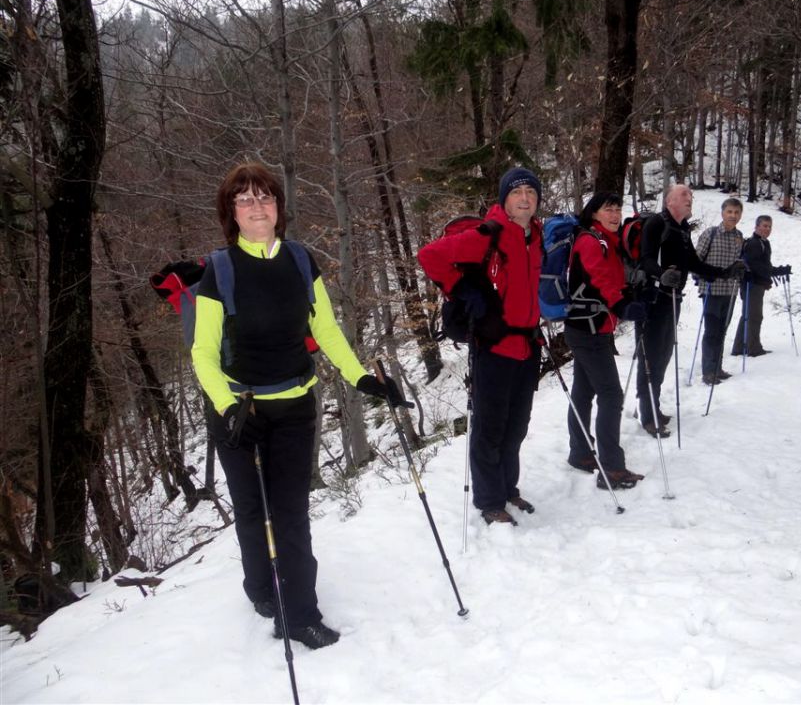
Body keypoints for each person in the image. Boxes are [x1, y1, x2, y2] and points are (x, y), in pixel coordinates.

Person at [192, 162, 404, 650]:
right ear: (231, 213)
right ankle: (261, 588)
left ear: (278, 207)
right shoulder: (218, 272)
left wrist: (363, 378)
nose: (256, 205)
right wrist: (227, 407)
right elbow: (202, 353)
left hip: (293, 405)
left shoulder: (300, 260)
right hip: (238, 409)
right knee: (251, 507)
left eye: (264, 196)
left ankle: (299, 614)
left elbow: (325, 328)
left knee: (289, 513)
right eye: (244, 199)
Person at [418, 167, 543, 526]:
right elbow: (429, 256)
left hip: (527, 344)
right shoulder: (488, 233)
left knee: (517, 425)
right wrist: (462, 288)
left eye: (531, 193)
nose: (524, 199)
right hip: (494, 345)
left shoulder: (535, 235)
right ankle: (489, 500)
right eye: (517, 192)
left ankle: (507, 488)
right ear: (504, 200)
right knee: (490, 427)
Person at [635, 184, 744, 437]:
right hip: (653, 299)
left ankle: (655, 406)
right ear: (670, 199)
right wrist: (662, 275)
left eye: (691, 196)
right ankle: (647, 414)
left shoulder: (682, 229)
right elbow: (646, 259)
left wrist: (724, 273)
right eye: (685, 195)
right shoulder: (656, 223)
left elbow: (694, 263)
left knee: (663, 355)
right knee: (651, 357)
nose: (690, 199)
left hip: (673, 299)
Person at [565, 192, 646, 489]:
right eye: (608, 209)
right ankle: (611, 468)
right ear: (594, 214)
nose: (614, 214)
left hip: (588, 327)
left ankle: (580, 452)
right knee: (611, 396)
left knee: (584, 392)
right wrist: (622, 305)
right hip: (589, 331)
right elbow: (599, 279)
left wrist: (630, 296)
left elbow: (613, 280)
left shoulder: (606, 242)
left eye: (617, 209)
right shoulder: (590, 241)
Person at [696, 197, 745, 385]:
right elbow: (696, 260)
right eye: (730, 212)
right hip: (711, 289)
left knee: (722, 331)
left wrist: (741, 269)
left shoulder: (739, 236)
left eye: (737, 212)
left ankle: (718, 367)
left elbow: (739, 261)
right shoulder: (711, 234)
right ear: (723, 213)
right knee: (711, 331)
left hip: (730, 291)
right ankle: (708, 370)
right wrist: (704, 275)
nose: (733, 216)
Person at [731, 215, 791, 357]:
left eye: (769, 226)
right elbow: (756, 266)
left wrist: (776, 270)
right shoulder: (754, 244)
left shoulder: (764, 243)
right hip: (751, 284)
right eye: (764, 226)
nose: (767, 229)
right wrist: (777, 271)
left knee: (747, 314)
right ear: (757, 226)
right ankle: (753, 348)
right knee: (754, 316)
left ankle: (739, 347)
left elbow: (764, 266)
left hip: (756, 284)